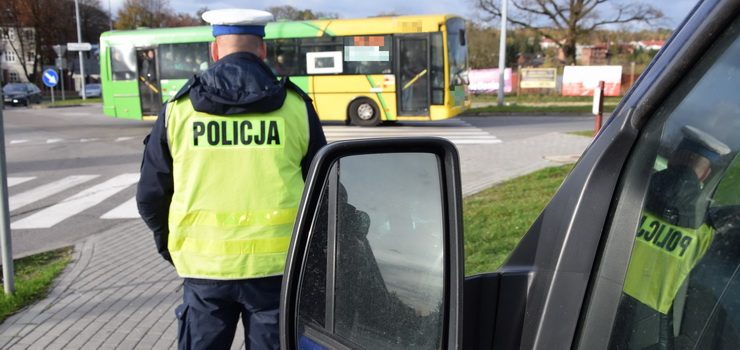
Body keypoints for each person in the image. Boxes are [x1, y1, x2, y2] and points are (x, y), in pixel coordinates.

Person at [136, 8, 326, 350]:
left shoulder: (178, 110)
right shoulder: (297, 107)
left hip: (204, 270)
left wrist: (174, 247)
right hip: (278, 269)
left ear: (214, 50)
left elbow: (150, 196)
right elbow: (326, 189)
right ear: (263, 50)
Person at [618, 125, 730, 348]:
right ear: (706, 174)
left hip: (605, 299)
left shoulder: (630, 194)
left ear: (671, 158)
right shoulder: (706, 229)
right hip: (653, 324)